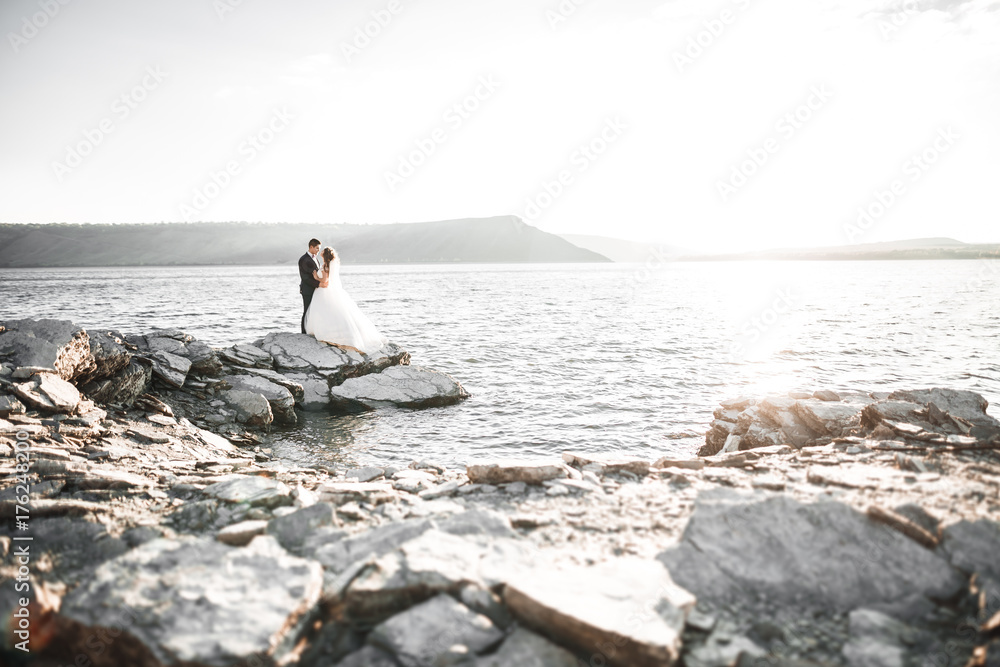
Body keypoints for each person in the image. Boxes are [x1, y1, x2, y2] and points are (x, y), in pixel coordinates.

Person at [304, 246, 388, 355]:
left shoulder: (325, 266)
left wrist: (315, 277)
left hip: (322, 292)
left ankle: (328, 333)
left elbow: (325, 282)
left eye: (323, 251)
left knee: (324, 312)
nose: (321, 252)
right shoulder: (328, 265)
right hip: (322, 292)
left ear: (325, 255)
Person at [298, 239, 322, 334]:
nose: (318, 251)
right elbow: (305, 278)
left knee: (314, 310)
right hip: (307, 289)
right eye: (317, 248)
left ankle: (312, 329)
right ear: (311, 247)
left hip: (315, 289)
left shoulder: (315, 258)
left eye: (319, 249)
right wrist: (319, 284)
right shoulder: (303, 259)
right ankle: (304, 332)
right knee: (307, 310)